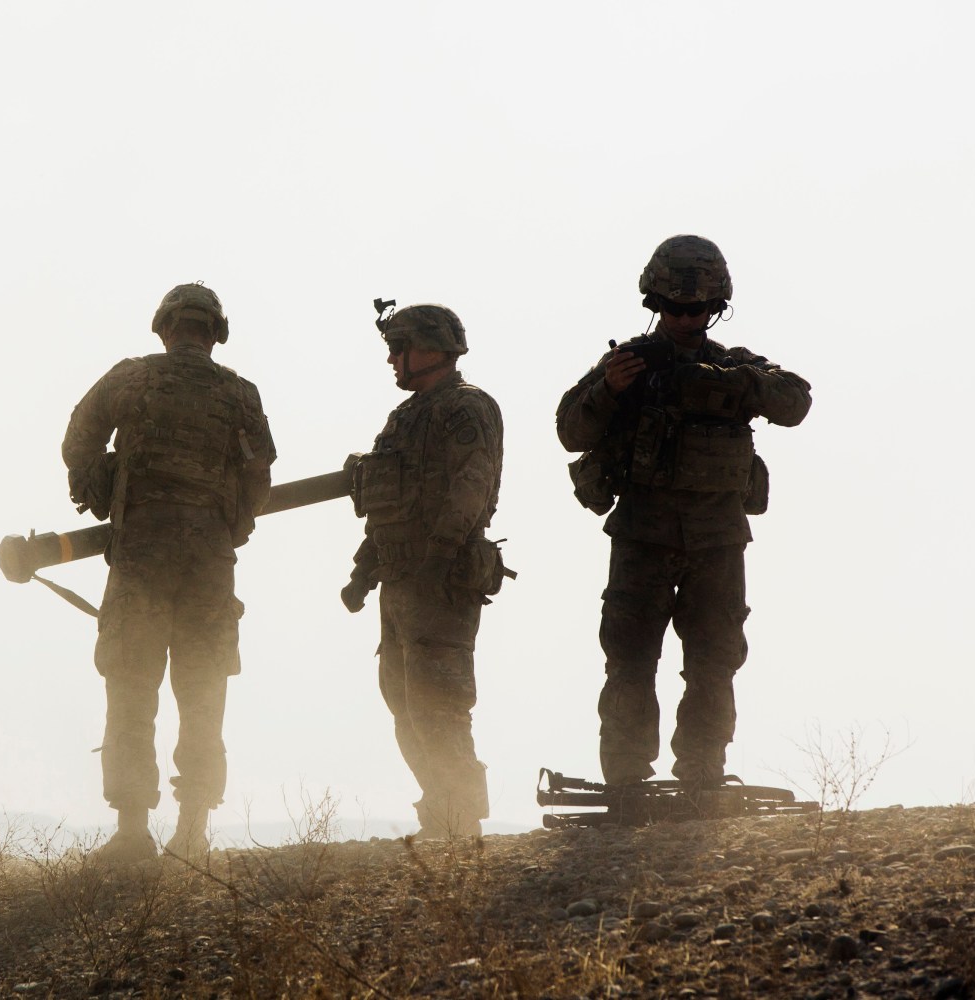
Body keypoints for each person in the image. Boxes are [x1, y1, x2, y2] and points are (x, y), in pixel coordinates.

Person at [556, 235, 812, 789]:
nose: (685, 317)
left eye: (697, 309)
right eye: (674, 307)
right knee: (629, 660)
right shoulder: (628, 363)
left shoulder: (736, 366)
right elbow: (570, 431)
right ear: (655, 302)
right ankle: (626, 777)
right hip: (642, 537)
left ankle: (701, 770)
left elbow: (795, 402)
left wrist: (726, 385)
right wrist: (609, 389)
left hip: (717, 540)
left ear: (716, 307)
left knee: (714, 662)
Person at [62, 283, 276, 862]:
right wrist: (229, 528)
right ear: (216, 333)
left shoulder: (131, 377)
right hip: (209, 566)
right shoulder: (240, 394)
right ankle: (192, 832)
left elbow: (79, 440)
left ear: (164, 326)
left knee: (132, 687)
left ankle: (132, 833)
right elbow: (259, 475)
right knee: (202, 693)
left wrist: (100, 489)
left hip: (140, 558)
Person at [341, 303, 506, 839]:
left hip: (440, 579)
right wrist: (363, 572)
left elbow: (473, 484)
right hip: (399, 581)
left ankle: (461, 820)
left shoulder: (465, 407)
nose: (392, 360)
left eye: (399, 348)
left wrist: (439, 556)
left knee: (441, 705)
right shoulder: (404, 419)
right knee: (405, 705)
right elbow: (387, 504)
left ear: (432, 349)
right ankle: (441, 811)